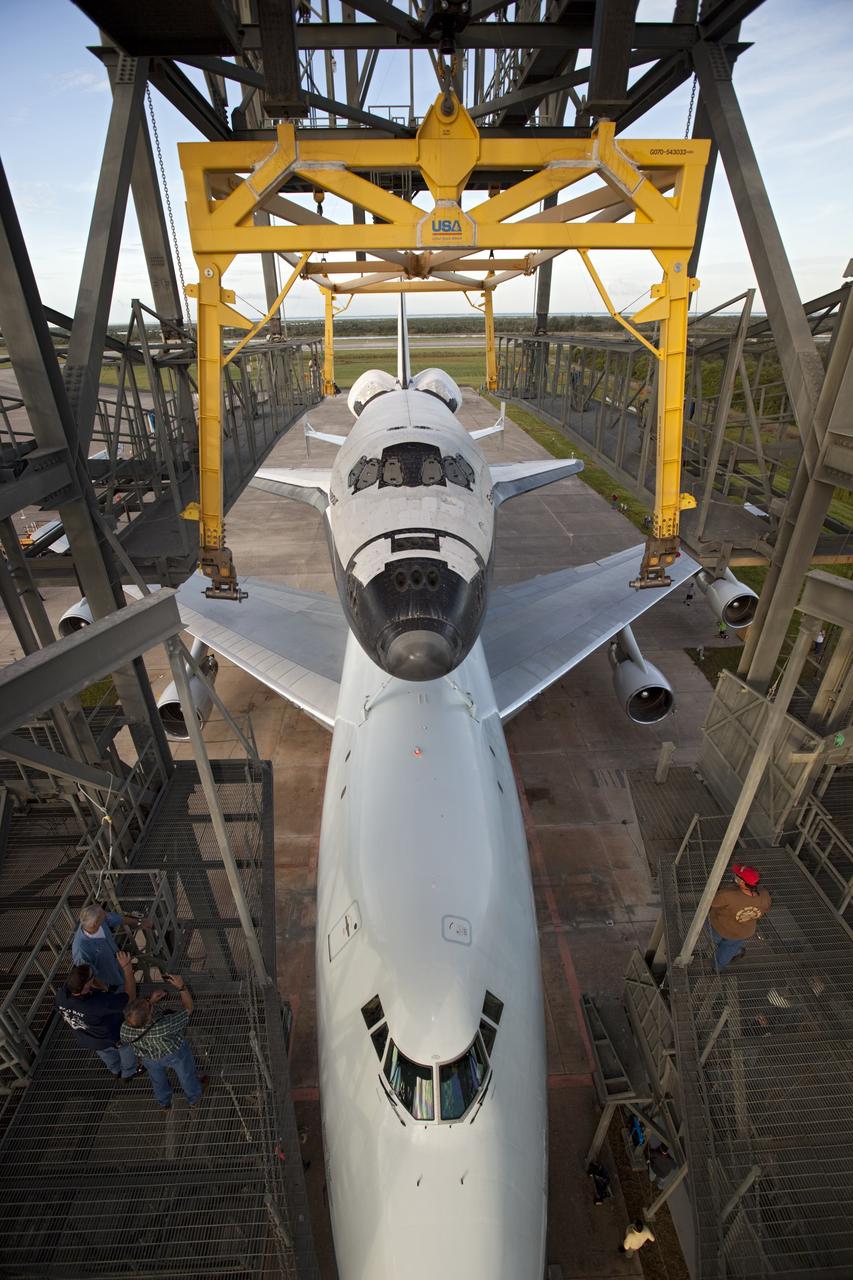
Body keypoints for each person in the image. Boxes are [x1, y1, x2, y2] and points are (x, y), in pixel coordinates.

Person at [121, 973, 208, 1110]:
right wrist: (182, 987)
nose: (150, 1002)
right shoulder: (163, 1026)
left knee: (157, 1079)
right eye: (149, 1006)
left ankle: (164, 1102)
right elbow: (188, 1009)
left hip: (148, 1057)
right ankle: (194, 1098)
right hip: (175, 1054)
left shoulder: (125, 1028)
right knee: (186, 1075)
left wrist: (151, 1001)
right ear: (150, 1017)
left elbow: (134, 1029)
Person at [55, 950, 140, 1079]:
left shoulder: (62, 995)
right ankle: (129, 1073)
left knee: (108, 1057)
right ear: (86, 986)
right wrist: (127, 968)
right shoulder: (98, 1004)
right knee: (126, 1049)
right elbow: (130, 998)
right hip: (113, 1036)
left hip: (89, 1039)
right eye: (92, 976)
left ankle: (116, 1071)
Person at [72, 904, 153, 989]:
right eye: (103, 914)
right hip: (112, 983)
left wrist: (138, 922)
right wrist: (105, 989)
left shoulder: (99, 921)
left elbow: (116, 919)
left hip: (121, 968)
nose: (105, 914)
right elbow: (86, 976)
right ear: (96, 923)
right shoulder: (81, 949)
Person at [707, 863, 772, 970]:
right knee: (730, 946)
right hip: (743, 932)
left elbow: (712, 903)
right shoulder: (765, 895)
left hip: (719, 927)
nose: (735, 876)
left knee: (720, 940)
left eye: (737, 875)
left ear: (742, 882)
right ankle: (725, 959)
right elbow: (766, 908)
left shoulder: (727, 894)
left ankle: (723, 957)